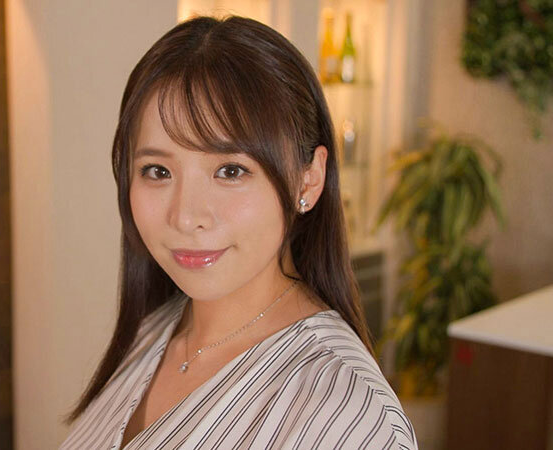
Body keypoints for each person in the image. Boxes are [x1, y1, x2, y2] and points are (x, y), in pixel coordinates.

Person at [59, 15, 418, 449]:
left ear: (308, 181)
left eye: (230, 171)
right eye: (157, 171)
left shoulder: (348, 415)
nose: (186, 216)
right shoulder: (153, 330)